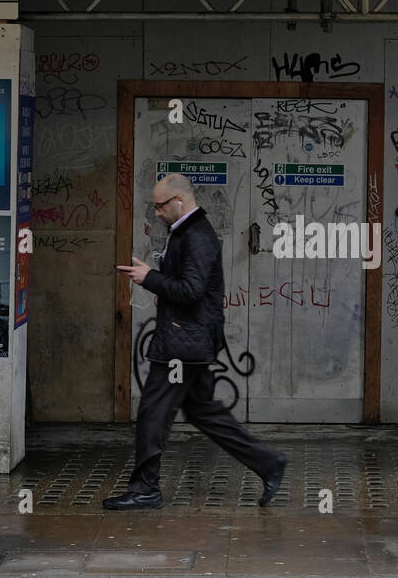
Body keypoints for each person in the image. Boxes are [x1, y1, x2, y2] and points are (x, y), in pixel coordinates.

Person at [105, 173, 287, 511]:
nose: (156, 212)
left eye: (160, 206)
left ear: (179, 202)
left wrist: (150, 279)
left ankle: (145, 488)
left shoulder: (198, 236)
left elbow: (191, 290)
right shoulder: (186, 232)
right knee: (203, 411)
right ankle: (268, 463)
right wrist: (156, 279)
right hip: (188, 340)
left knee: (153, 412)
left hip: (182, 346)